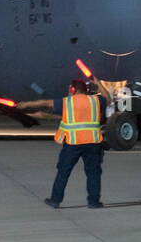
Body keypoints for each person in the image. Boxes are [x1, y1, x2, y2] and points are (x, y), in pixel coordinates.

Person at [44, 79, 106, 209]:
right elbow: (108, 98)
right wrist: (99, 83)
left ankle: (55, 200)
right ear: (87, 90)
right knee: (93, 173)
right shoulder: (95, 101)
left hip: (73, 143)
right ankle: (94, 202)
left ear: (72, 90)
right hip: (93, 143)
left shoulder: (67, 102)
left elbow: (48, 106)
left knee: (63, 172)